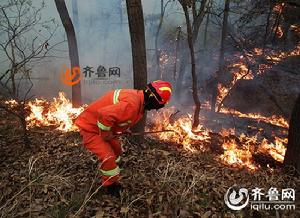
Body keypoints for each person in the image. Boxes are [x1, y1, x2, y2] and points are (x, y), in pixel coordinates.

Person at [75, 80, 172, 196]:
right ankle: (111, 186)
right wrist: (106, 135)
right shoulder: (133, 105)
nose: (156, 109)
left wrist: (124, 129)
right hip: (90, 127)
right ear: (153, 99)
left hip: (103, 127)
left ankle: (115, 169)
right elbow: (104, 115)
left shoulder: (139, 98)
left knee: (117, 150)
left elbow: (120, 117)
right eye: (158, 106)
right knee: (108, 157)